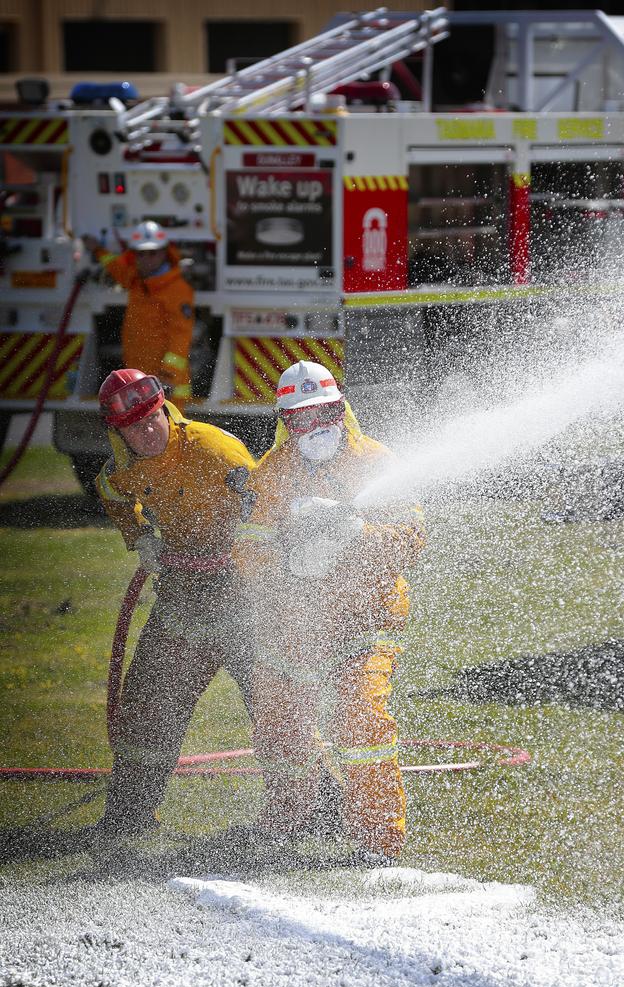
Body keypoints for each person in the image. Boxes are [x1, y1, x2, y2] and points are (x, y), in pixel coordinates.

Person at [236, 360, 425, 865]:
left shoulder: (376, 463)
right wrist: (290, 560)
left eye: (323, 414)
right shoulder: (271, 475)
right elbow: (248, 551)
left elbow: (410, 539)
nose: (314, 428)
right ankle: (288, 821)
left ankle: (379, 844)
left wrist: (356, 535)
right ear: (285, 423)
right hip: (294, 621)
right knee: (276, 718)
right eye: (300, 419)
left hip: (367, 619)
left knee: (360, 721)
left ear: (341, 410)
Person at [94, 368, 258, 835]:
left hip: (244, 593)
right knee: (149, 705)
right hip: (182, 596)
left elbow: (264, 504)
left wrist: (245, 555)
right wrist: (141, 536)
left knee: (274, 705)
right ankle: (128, 818)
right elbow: (111, 494)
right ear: (118, 431)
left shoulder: (212, 449)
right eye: (134, 426)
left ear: (164, 408)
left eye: (152, 419)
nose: (147, 431)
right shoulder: (122, 468)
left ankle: (316, 806)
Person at [82, 221, 194, 411]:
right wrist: (98, 250)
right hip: (140, 381)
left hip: (167, 386)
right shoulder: (137, 281)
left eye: (153, 253)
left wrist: (168, 377)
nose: (146, 258)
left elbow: (181, 336)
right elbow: (116, 268)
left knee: (170, 437)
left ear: (164, 252)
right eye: (141, 254)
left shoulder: (177, 289)